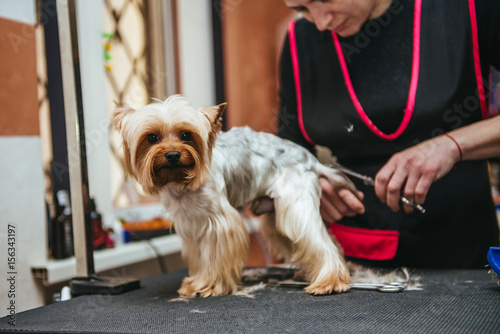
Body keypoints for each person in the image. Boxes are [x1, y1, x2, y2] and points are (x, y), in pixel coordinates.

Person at [278, 0, 500, 268]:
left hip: (466, 251)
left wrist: (452, 145)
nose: (321, 21)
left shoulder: (468, 8)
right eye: (301, 8)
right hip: (357, 262)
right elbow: (288, 153)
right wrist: (310, 183)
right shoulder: (298, 42)